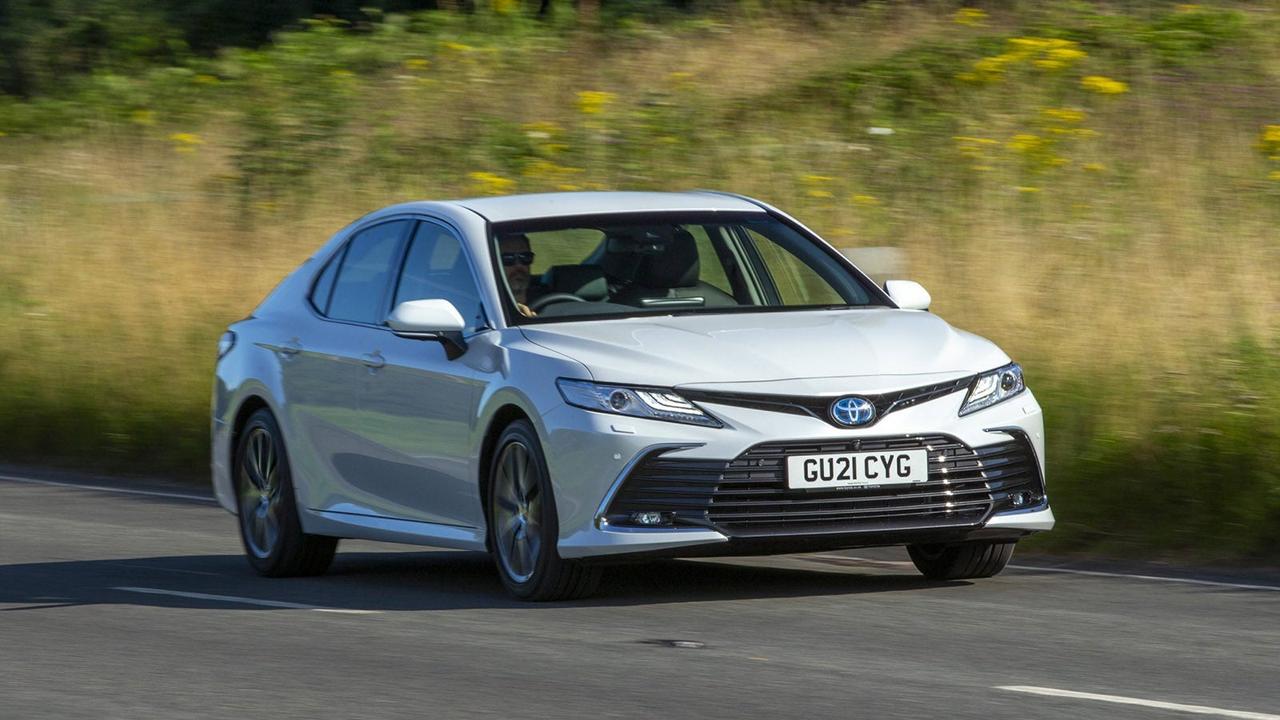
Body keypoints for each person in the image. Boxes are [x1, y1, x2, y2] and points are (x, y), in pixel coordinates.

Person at [498, 233, 537, 317]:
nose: (519, 265)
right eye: (508, 259)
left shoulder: (549, 300)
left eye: (525, 257)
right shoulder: (487, 307)